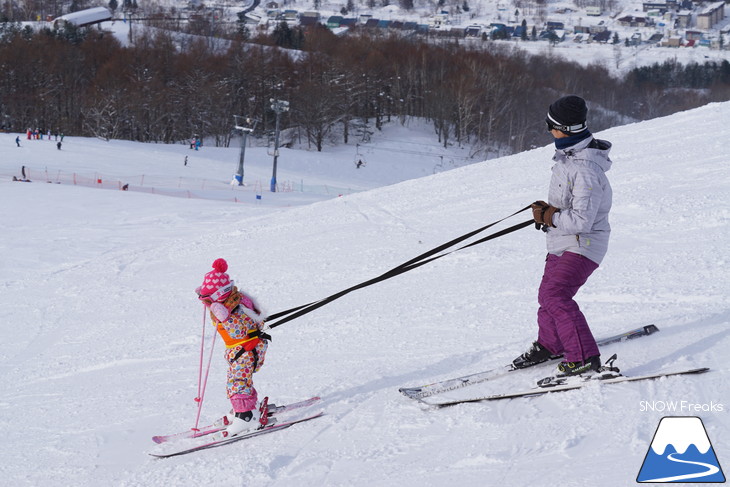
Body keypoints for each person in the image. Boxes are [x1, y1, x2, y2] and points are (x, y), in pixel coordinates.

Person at [513, 95, 613, 378]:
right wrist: (548, 213)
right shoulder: (569, 158)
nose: (547, 130)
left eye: (550, 125)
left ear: (564, 130)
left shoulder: (585, 169)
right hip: (562, 240)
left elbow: (582, 220)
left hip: (584, 243)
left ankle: (583, 357)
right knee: (547, 295)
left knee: (556, 296)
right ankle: (551, 344)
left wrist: (550, 217)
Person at [196, 258, 271, 438]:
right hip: (240, 351)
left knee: (237, 382)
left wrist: (224, 318)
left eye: (208, 301)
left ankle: (245, 417)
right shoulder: (233, 302)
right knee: (239, 379)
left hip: (246, 350)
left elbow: (238, 332)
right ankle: (245, 409)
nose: (207, 306)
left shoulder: (233, 311)